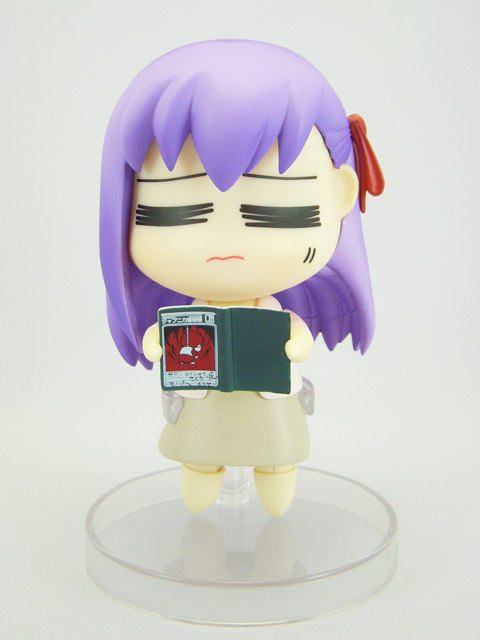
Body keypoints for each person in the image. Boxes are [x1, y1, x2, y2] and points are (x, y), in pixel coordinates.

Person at [100, 40, 384, 516]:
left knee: (276, 452)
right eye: (177, 212)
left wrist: (295, 345)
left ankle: (274, 480)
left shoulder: (275, 315)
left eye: (271, 210)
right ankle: (202, 479)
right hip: (202, 403)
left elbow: (296, 339)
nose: (224, 243)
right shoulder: (188, 314)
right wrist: (158, 342)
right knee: (199, 451)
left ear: (340, 195)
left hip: (267, 400)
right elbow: (159, 342)